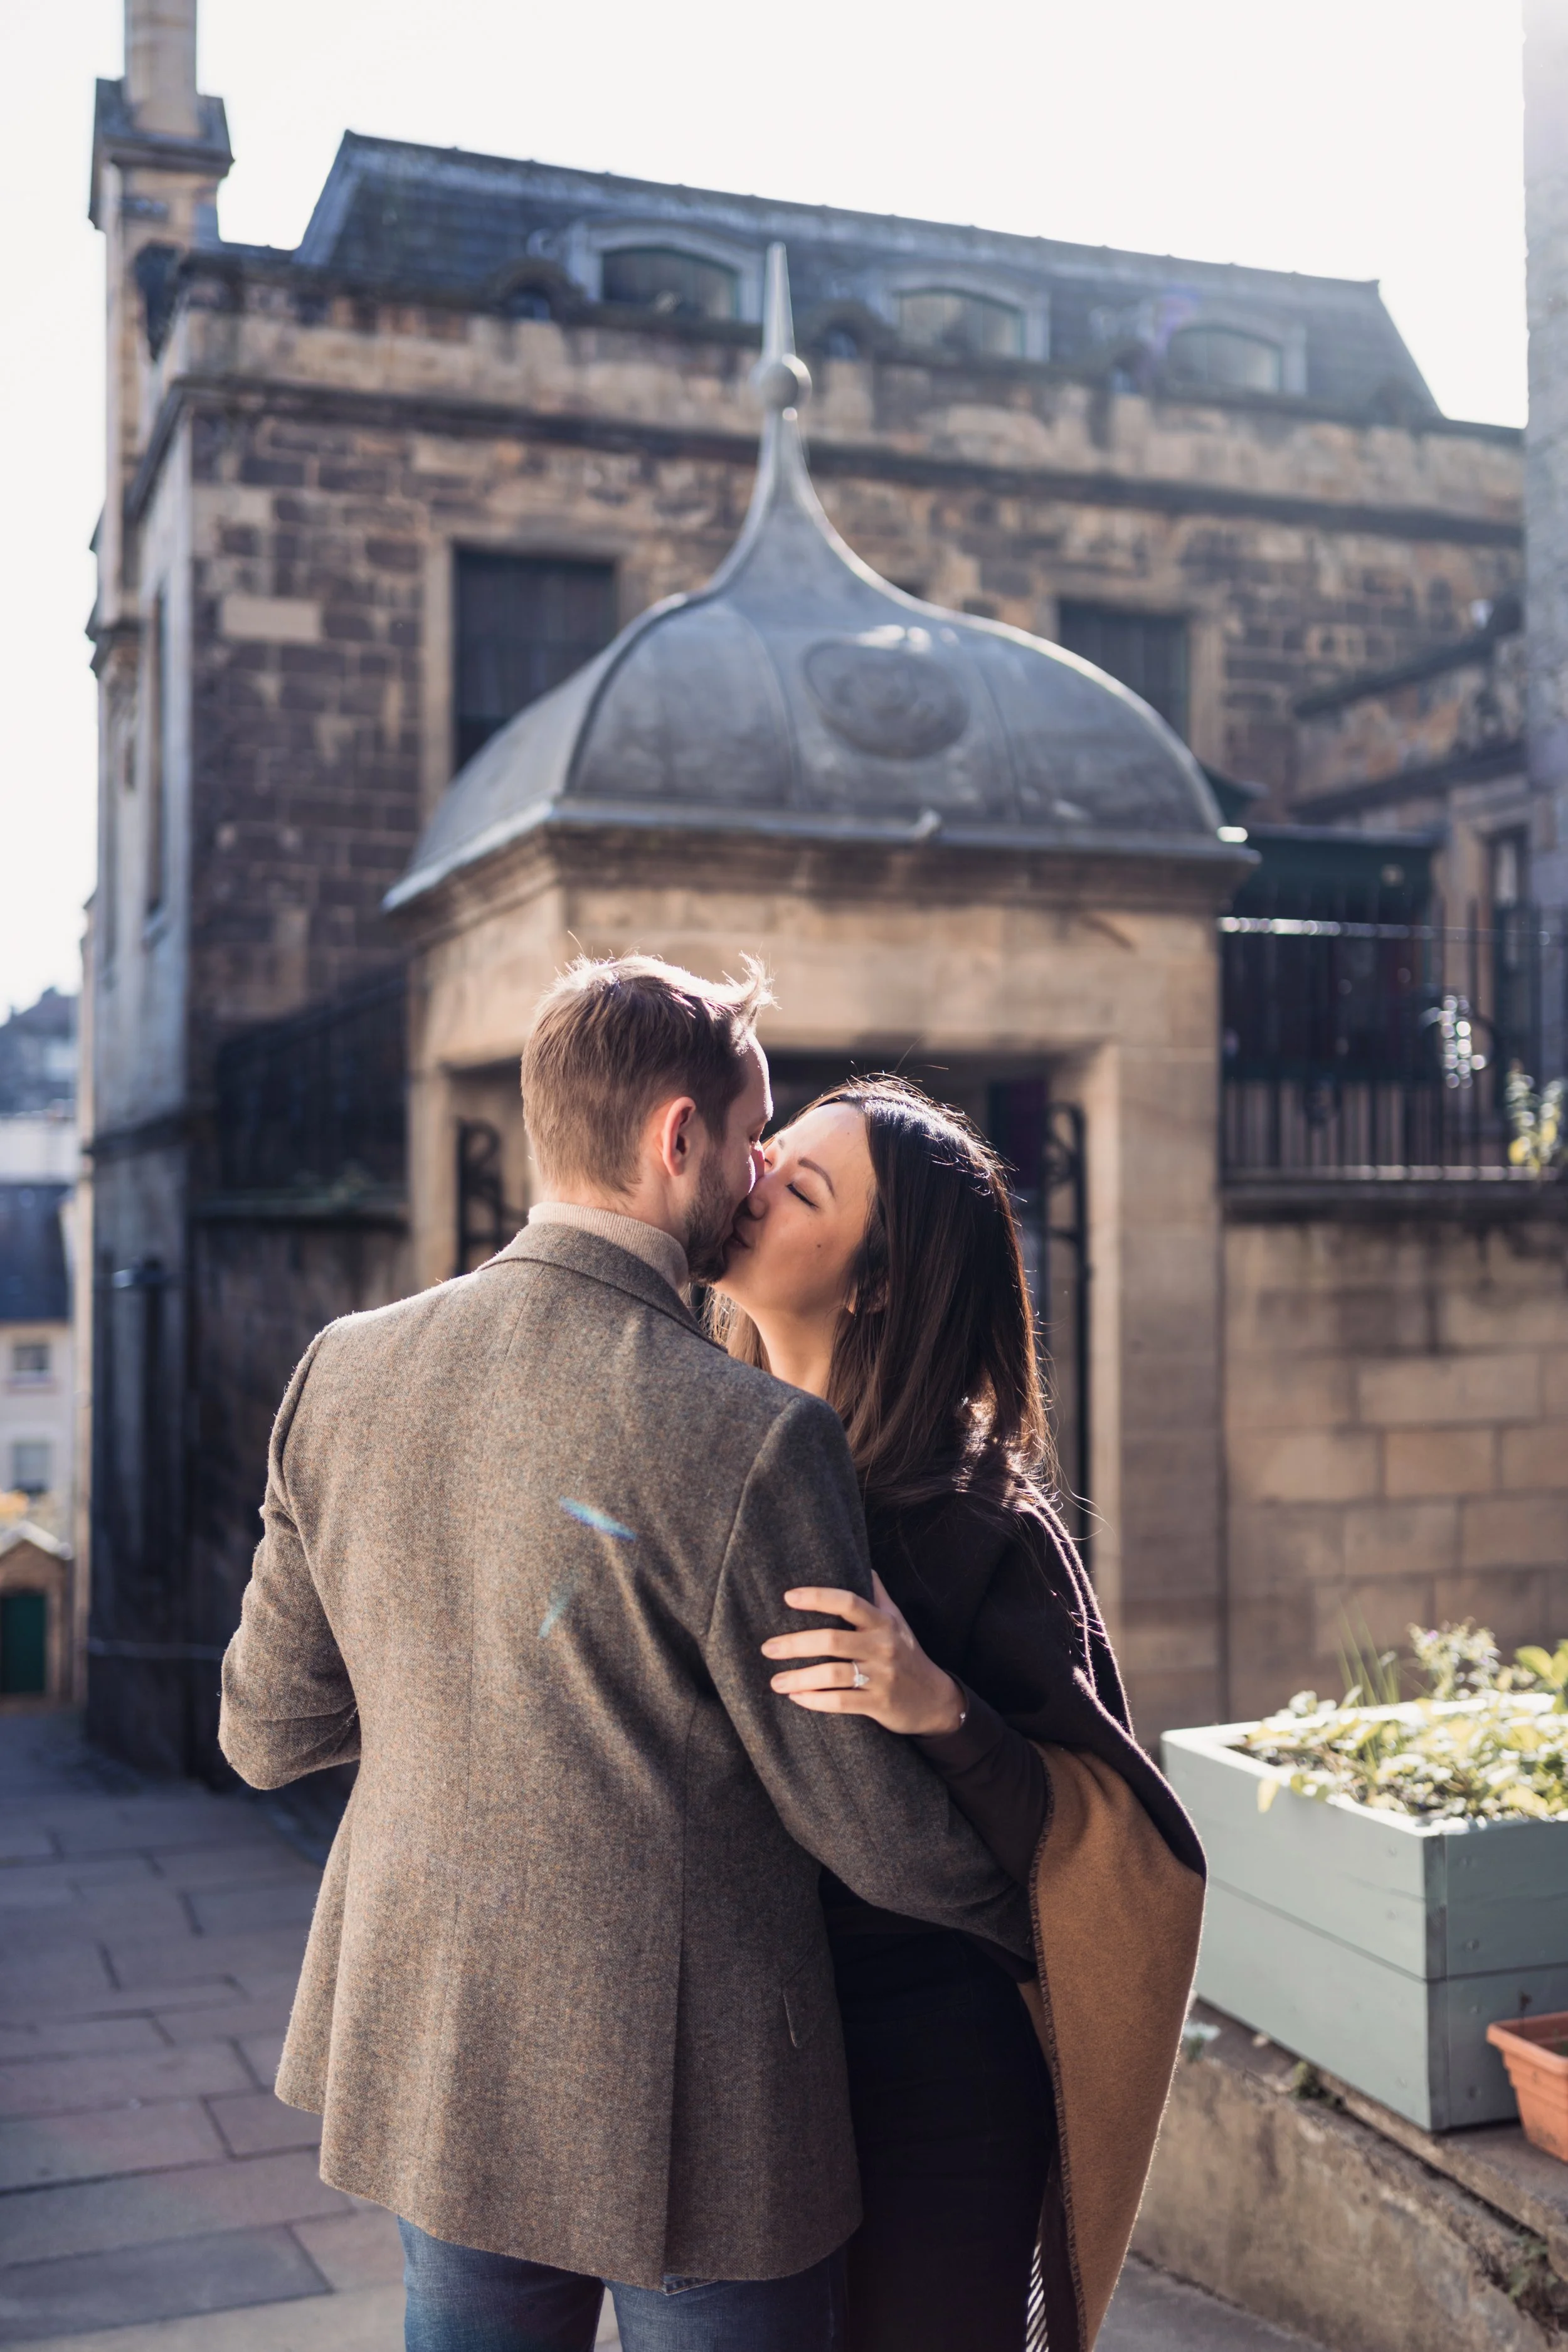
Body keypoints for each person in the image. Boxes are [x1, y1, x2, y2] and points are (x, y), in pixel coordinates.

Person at [219, 956, 1031, 2352]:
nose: (756, 1169)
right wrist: (1040, 1908)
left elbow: (265, 1734)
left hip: (441, 2057)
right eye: (750, 1136)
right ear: (675, 1140)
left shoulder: (341, 1365)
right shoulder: (753, 1436)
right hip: (699, 2105)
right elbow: (871, 1838)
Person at [712, 1076, 1205, 2352]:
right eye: (768, 1154)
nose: (752, 1179)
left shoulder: (976, 1519)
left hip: (932, 2084)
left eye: (801, 1186)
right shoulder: (701, 1450)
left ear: (872, 1284)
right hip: (750, 2068)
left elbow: (1108, 1842)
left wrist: (932, 1703)